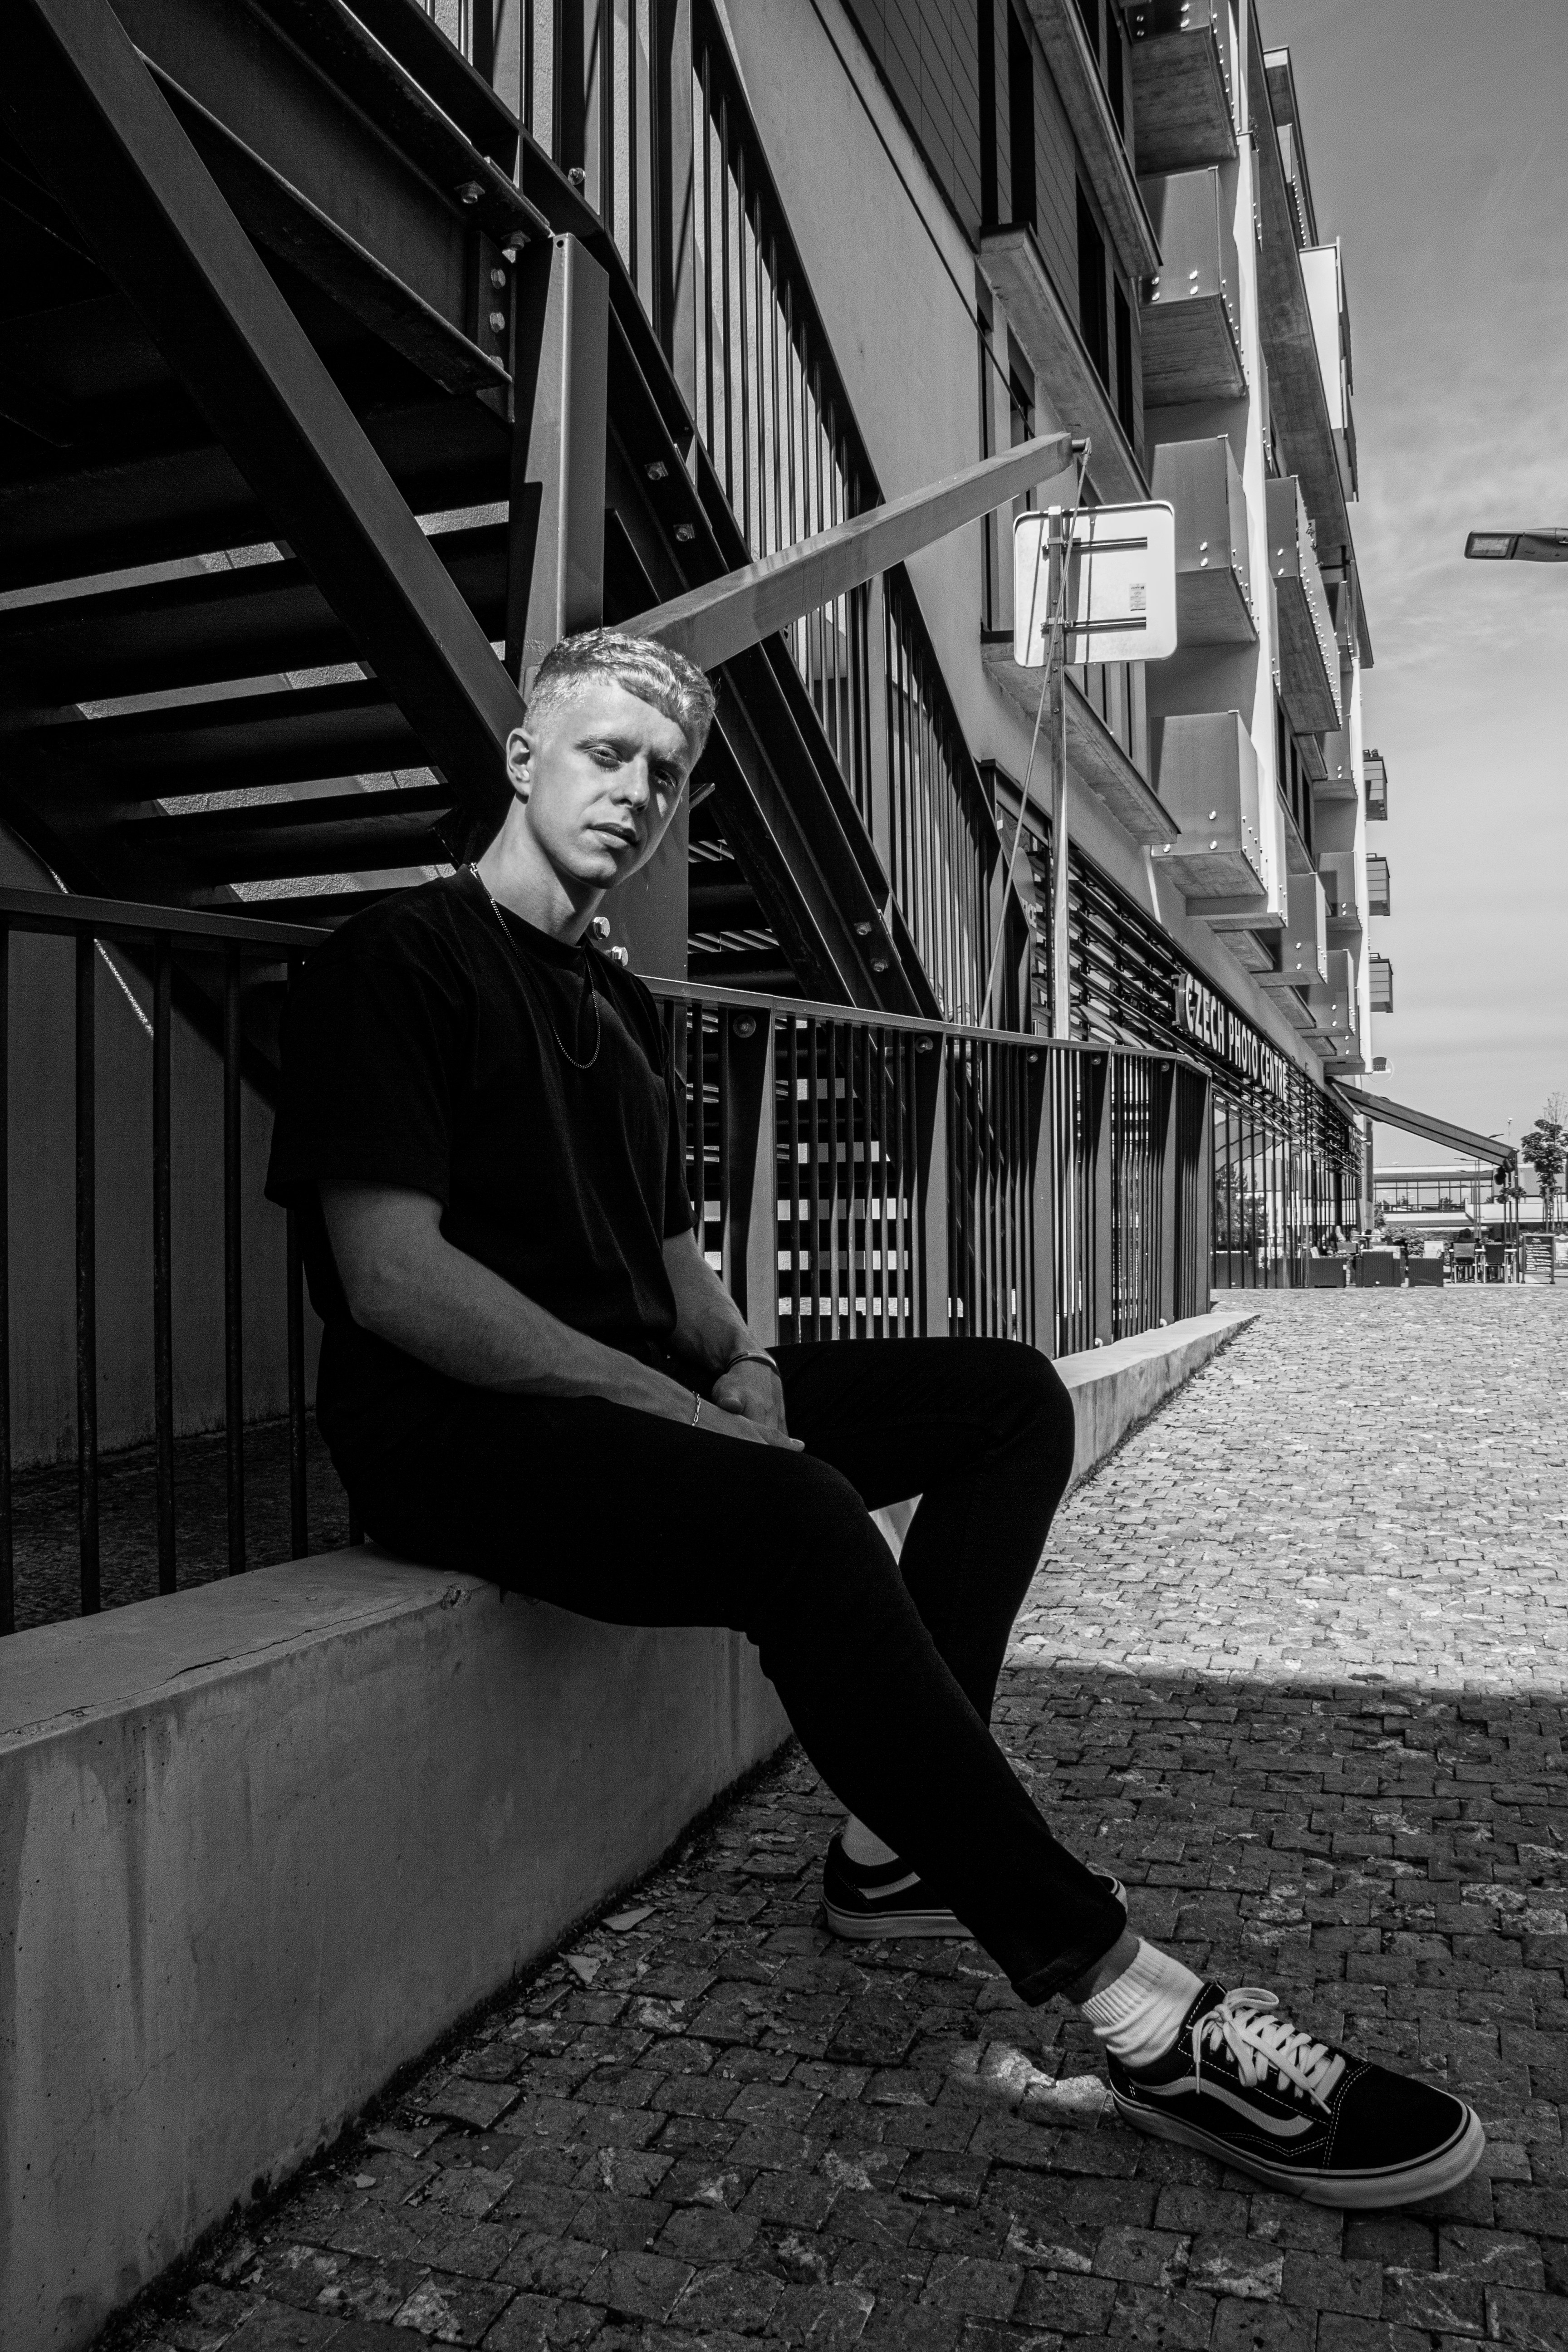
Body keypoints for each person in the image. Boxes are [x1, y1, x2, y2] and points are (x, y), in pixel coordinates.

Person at [265, 627, 1483, 2210]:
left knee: (1002, 1398)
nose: (637, 792)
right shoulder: (397, 956)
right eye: (605, 753)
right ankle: (1137, 2010)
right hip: (455, 1432)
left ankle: (900, 1845)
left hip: (641, 1397)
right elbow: (394, 1282)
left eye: (668, 769)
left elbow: (664, 1248)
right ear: (525, 756)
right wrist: (691, 1420)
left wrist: (744, 1365)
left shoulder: (621, 1006)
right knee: (801, 1517)